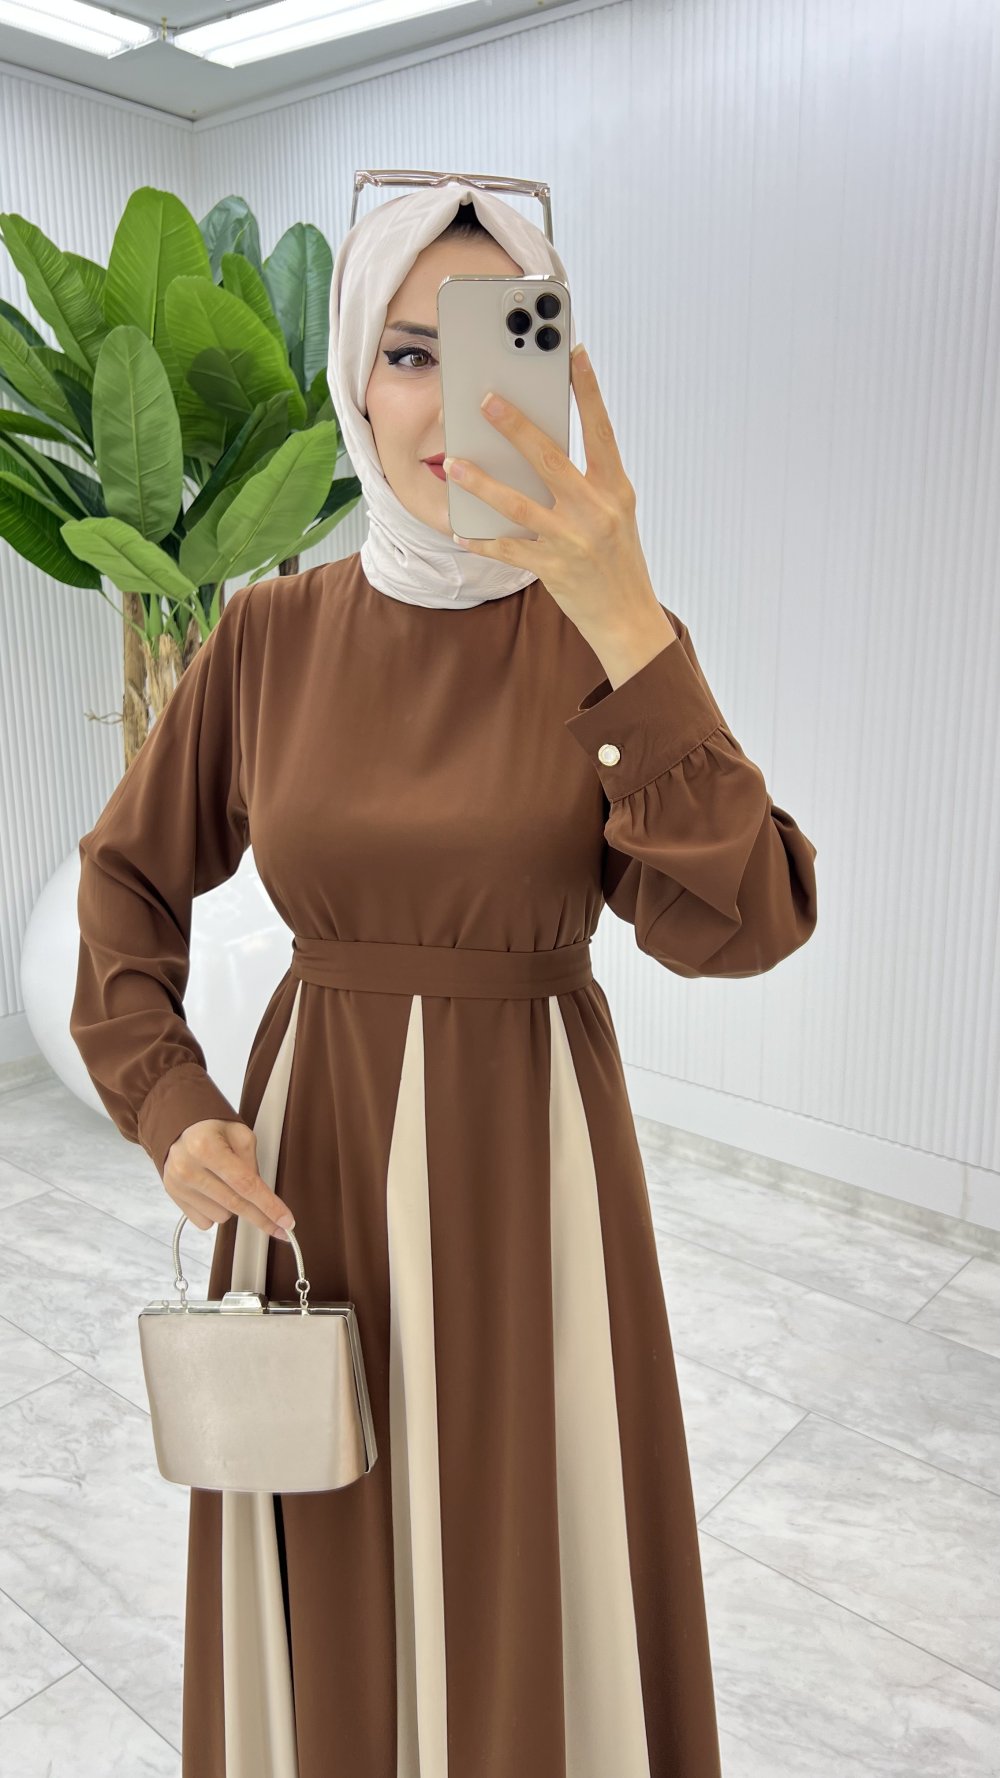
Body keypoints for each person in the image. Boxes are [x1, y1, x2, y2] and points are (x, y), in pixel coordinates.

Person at [70, 181, 818, 1778]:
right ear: (356, 376)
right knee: (329, 1521)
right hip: (316, 1165)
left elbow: (745, 922)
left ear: (556, 369)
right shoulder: (271, 635)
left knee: (525, 1546)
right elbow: (125, 876)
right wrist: (167, 1096)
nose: (443, 395)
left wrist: (630, 617)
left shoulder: (600, 642)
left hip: (533, 1173)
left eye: (494, 344)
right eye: (407, 350)